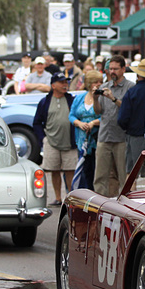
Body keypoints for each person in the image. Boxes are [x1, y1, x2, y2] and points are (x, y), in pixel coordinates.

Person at [93, 55, 134, 197]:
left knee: (123, 176)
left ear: (123, 69)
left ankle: (125, 204)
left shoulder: (130, 87)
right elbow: (98, 111)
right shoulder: (105, 86)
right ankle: (100, 204)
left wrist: (113, 98)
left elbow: (128, 110)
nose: (112, 72)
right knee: (100, 176)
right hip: (104, 136)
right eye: (110, 69)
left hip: (121, 138)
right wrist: (95, 98)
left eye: (116, 69)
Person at [32, 72, 76, 205]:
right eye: (62, 82)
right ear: (53, 85)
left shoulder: (71, 100)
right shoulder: (45, 102)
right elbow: (37, 122)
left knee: (70, 170)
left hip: (69, 142)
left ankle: (70, 197)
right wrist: (43, 139)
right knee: (54, 170)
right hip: (51, 141)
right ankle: (58, 198)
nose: (65, 85)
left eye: (66, 82)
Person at [118, 58, 145, 175]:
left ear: (138, 74)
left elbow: (122, 118)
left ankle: (132, 193)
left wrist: (127, 128)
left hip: (134, 135)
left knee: (132, 172)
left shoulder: (132, 92)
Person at [69, 71, 102, 190]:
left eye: (100, 82)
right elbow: (71, 115)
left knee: (94, 170)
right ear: (89, 83)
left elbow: (106, 116)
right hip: (81, 139)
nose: (98, 84)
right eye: (95, 82)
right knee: (83, 169)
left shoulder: (101, 98)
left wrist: (93, 123)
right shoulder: (79, 98)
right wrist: (79, 123)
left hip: (96, 138)